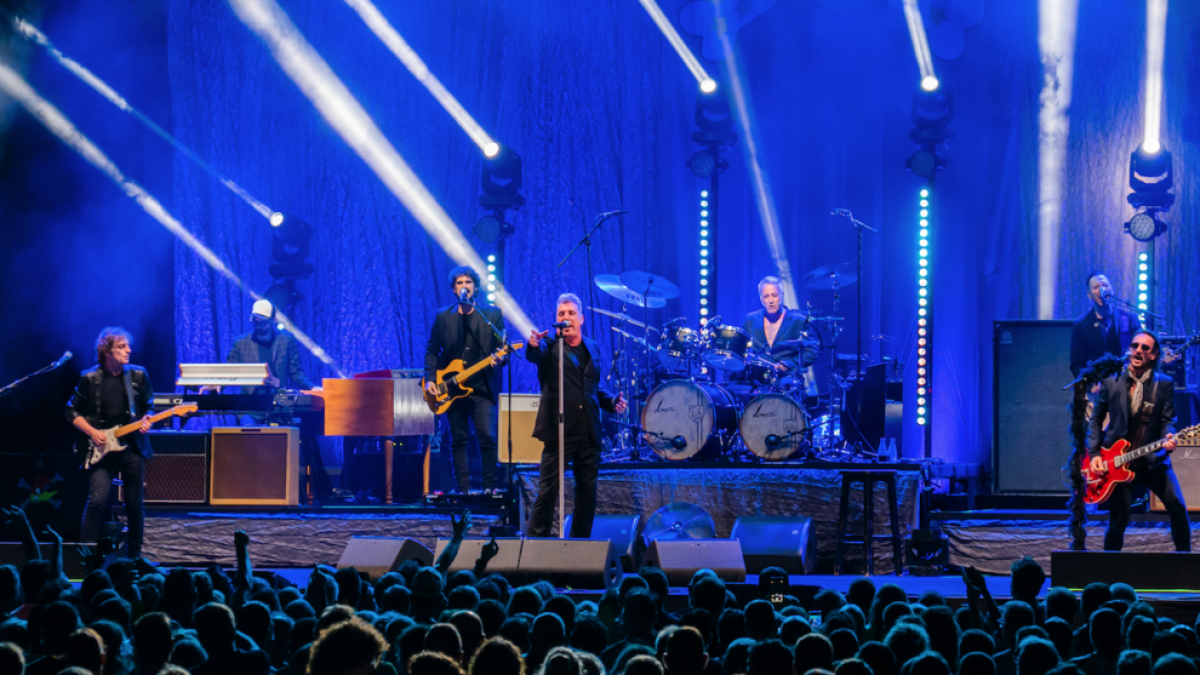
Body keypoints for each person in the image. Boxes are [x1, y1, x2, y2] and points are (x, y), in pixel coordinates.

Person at [525, 293, 626, 538]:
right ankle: (535, 546)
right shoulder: (549, 346)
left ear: (581, 318)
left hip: (589, 429)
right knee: (548, 490)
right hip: (559, 429)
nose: (566, 317)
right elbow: (533, 355)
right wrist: (533, 344)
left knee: (587, 492)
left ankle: (580, 547)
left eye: (571, 313)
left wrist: (611, 402)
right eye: (561, 314)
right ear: (556, 320)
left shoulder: (593, 347)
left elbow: (593, 388)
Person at [218, 299, 330, 502]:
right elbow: (230, 372)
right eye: (255, 321)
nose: (258, 325)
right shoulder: (241, 343)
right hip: (250, 408)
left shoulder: (286, 341)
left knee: (280, 445)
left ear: (273, 320)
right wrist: (217, 384)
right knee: (250, 440)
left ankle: (282, 492)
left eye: (263, 321)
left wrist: (311, 387)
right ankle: (250, 493)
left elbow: (296, 372)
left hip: (279, 406)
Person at [1088, 330, 1189, 551]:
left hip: (1154, 462)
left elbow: (1168, 420)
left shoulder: (1164, 383)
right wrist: (1095, 454)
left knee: (1178, 507)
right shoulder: (1111, 381)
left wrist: (1168, 437)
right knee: (1119, 520)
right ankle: (1110, 572)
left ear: (1154, 355)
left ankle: (1187, 568)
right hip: (1117, 462)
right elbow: (1095, 420)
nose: (1138, 351)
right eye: (1135, 346)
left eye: (1145, 348)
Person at [65, 327, 154, 560]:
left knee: (135, 505)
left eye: (128, 345)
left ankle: (134, 558)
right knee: (97, 501)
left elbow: (149, 407)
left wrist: (146, 421)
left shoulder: (138, 375)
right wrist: (92, 432)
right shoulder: (89, 378)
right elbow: (70, 410)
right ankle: (86, 559)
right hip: (101, 449)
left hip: (131, 446)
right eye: (122, 346)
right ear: (106, 351)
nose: (129, 350)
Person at [424, 266, 508, 494]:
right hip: (451, 388)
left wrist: (499, 360)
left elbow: (502, 349)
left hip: (482, 387)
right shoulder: (443, 316)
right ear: (454, 289)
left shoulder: (491, 315)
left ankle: (489, 489)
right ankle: (462, 490)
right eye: (460, 283)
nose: (464, 286)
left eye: (468, 282)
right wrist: (431, 379)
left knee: (487, 438)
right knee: (458, 440)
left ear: (476, 287)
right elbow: (432, 350)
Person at [741, 276, 819, 375]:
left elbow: (812, 352)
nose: (770, 301)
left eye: (774, 295)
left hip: (787, 378)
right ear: (761, 299)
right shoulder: (750, 319)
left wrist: (789, 364)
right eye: (766, 296)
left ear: (782, 295)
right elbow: (740, 346)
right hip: (757, 378)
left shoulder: (799, 321)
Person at [1070, 273, 1142, 378]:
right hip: (1100, 387)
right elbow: (1077, 364)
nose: (1101, 289)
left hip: (1127, 383)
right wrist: (1089, 384)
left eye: (1105, 285)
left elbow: (1143, 349)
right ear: (1089, 295)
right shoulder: (1081, 325)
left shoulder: (1130, 319)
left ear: (1111, 290)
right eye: (1096, 287)